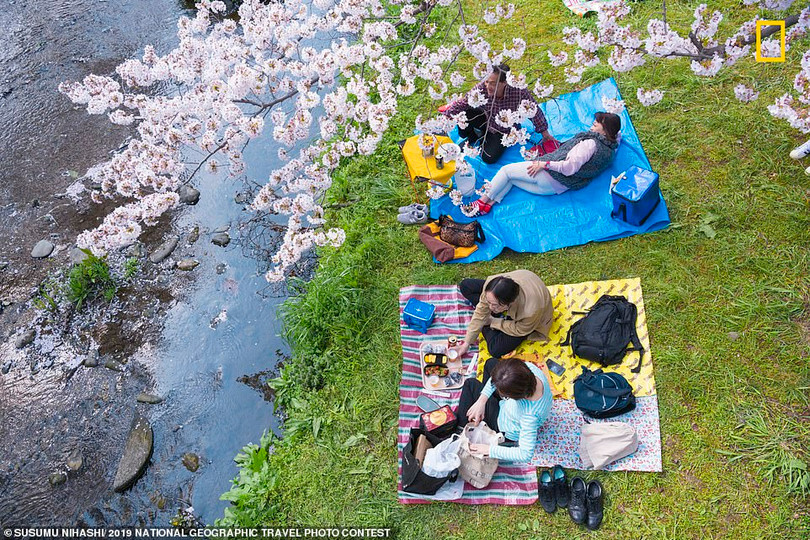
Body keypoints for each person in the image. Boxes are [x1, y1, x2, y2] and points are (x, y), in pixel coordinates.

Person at [463, 112, 622, 216]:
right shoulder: (611, 147)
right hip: (556, 188)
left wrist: (544, 164)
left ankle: (480, 202)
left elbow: (568, 168)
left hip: (548, 176)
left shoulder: (588, 145)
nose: (594, 122)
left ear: (605, 129)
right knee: (511, 180)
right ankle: (488, 205)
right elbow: (618, 134)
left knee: (505, 171)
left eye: (598, 122)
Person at [442, 64, 556, 165]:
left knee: (488, 158)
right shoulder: (482, 87)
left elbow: (533, 111)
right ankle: (473, 136)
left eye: (493, 84)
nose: (488, 86)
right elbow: (463, 102)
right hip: (486, 117)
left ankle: (483, 138)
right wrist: (446, 117)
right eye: (487, 82)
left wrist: (544, 133)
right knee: (463, 115)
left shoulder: (519, 91)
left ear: (504, 83)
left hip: (503, 130)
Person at [455, 356, 552, 462]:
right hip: (508, 407)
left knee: (470, 384)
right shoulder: (530, 369)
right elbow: (496, 378)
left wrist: (489, 450)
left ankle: (460, 430)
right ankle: (482, 404)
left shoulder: (529, 416)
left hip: (502, 422)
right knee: (490, 363)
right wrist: (481, 401)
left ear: (512, 397)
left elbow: (525, 454)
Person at [451, 269, 553, 359]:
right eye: (489, 302)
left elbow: (520, 329)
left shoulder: (531, 311)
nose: (490, 307)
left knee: (495, 350)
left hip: (526, 324)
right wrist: (466, 343)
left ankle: (487, 324)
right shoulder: (492, 286)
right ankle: (489, 320)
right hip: (515, 289)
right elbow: (482, 309)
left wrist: (492, 321)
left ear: (509, 303)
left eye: (494, 305)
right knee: (466, 286)